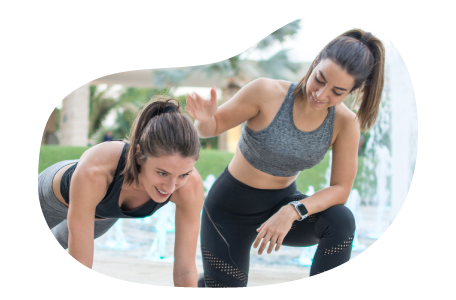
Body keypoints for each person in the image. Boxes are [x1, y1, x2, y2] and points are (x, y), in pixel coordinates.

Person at [186, 29, 385, 288]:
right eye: (320, 79)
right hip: (228, 210)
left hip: (282, 206)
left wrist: (294, 210)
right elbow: (211, 128)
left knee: (341, 221)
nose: (321, 94)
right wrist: (203, 118)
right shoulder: (266, 92)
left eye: (337, 91)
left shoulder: (345, 123)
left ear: (353, 91)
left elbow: (341, 189)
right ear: (314, 64)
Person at [38, 96, 205, 288]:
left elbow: (185, 270)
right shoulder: (96, 171)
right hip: (48, 199)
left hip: (100, 216)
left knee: (48, 254)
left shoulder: (190, 186)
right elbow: (81, 266)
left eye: (183, 174)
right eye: (162, 173)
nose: (170, 187)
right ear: (138, 155)